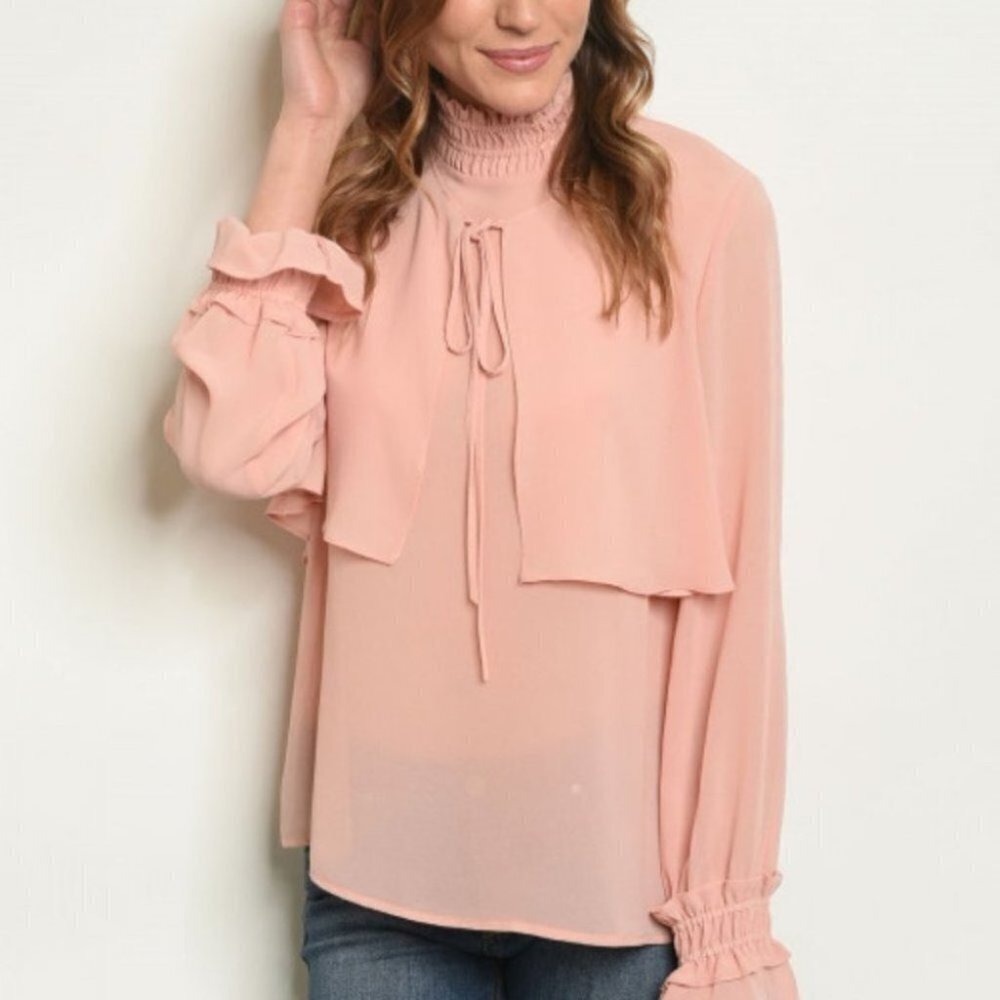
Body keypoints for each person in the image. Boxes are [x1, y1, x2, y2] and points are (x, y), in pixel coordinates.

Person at [161, 1, 799, 998]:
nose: (520, 14)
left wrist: (723, 916)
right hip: (375, 872)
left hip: (619, 881)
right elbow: (225, 449)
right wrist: (307, 131)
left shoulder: (702, 207)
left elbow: (737, 583)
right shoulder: (345, 203)